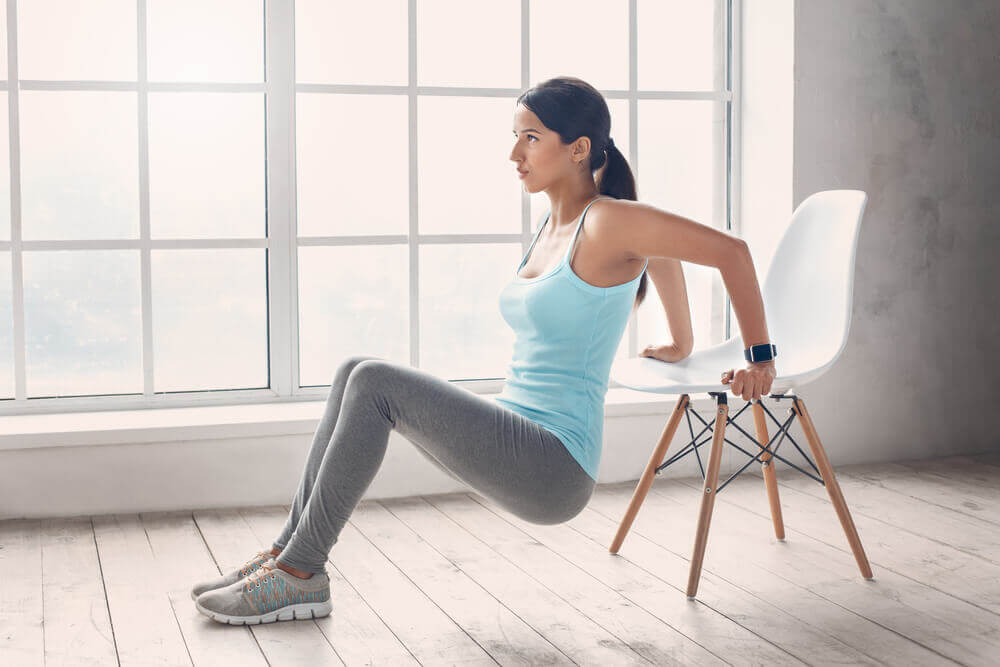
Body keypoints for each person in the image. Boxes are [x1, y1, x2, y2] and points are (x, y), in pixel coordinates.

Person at [192, 76, 776, 625]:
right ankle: (288, 553)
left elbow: (733, 252)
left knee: (373, 382)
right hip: (513, 433)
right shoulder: (557, 226)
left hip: (552, 464)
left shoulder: (606, 221)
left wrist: (760, 360)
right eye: (515, 137)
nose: (515, 154)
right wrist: (681, 340)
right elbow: (664, 251)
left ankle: (299, 572)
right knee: (354, 371)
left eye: (530, 138)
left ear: (577, 149)